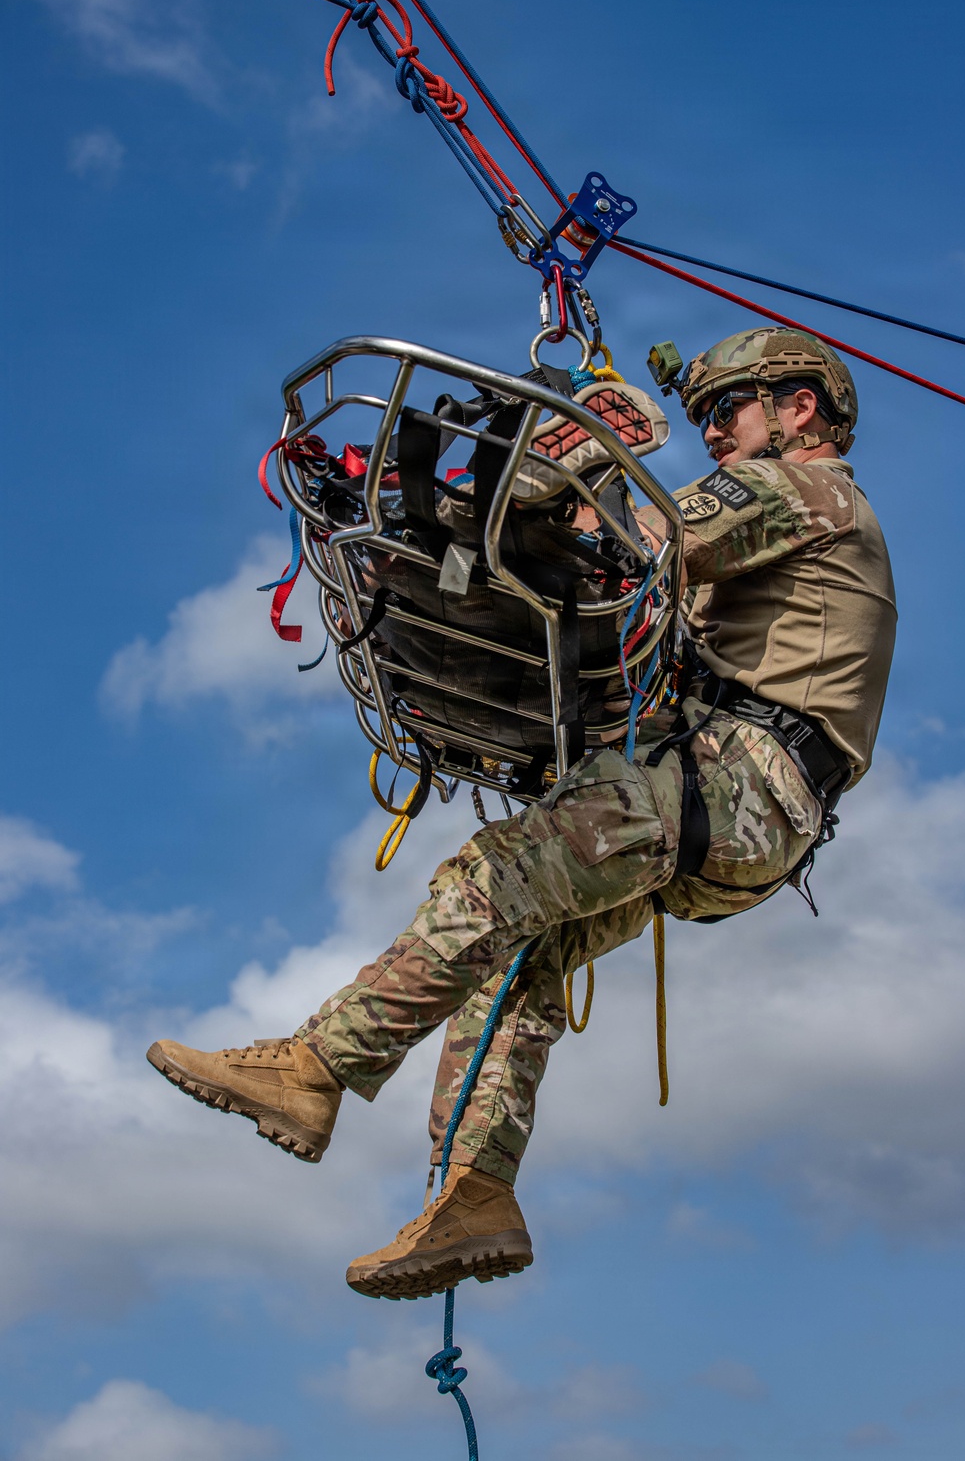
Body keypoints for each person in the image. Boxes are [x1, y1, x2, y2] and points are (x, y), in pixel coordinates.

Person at [147, 327, 896, 1301]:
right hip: (745, 814)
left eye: (729, 408)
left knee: (495, 876)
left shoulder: (800, 490)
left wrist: (562, 475)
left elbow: (647, 544)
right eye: (705, 415)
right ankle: (475, 1194)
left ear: (799, 408)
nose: (714, 430)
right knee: (516, 957)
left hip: (733, 784)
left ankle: (316, 1069)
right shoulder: (800, 521)